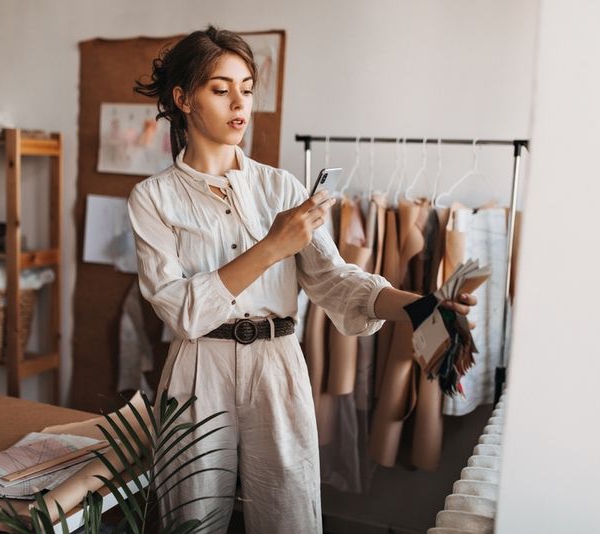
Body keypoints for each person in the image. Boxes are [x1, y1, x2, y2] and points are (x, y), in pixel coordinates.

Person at [128, 26, 476, 534]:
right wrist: (272, 246)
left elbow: (335, 281)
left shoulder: (282, 188)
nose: (238, 103)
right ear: (182, 98)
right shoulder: (153, 199)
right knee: (191, 521)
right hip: (200, 369)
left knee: (289, 514)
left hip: (278, 362)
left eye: (246, 88)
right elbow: (183, 312)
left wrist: (421, 305)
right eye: (220, 89)